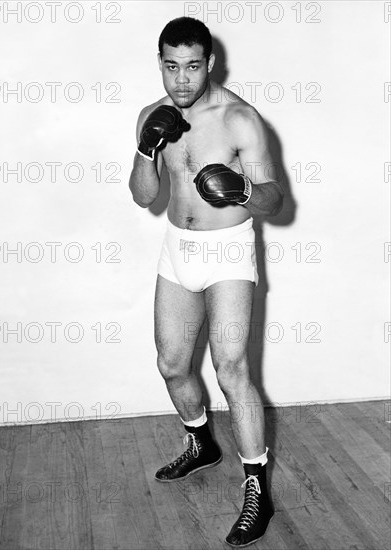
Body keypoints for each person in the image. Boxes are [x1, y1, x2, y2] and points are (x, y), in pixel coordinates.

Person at [129, 16, 283, 547]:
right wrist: (146, 149)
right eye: (171, 67)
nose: (181, 80)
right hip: (178, 249)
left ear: (209, 63)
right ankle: (201, 444)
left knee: (231, 366)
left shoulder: (240, 118)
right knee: (171, 364)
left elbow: (274, 198)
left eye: (192, 66)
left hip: (229, 253)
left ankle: (256, 488)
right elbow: (144, 195)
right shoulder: (154, 116)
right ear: (161, 64)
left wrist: (241, 191)